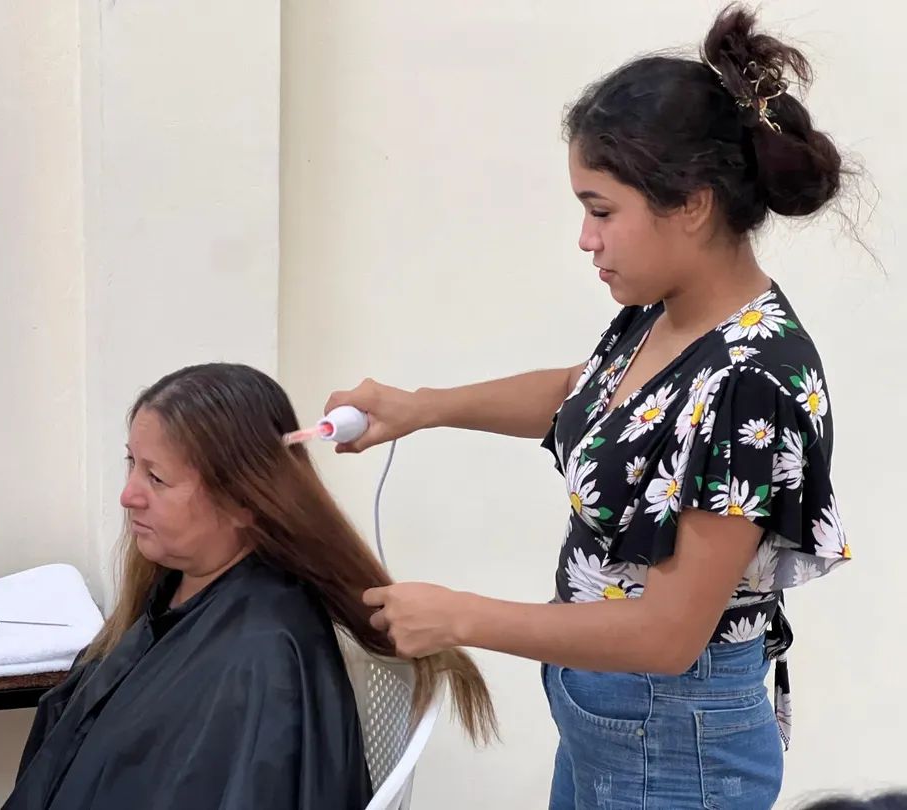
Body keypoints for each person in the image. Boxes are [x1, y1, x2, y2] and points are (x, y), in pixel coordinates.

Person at [325, 5, 852, 808]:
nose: (585, 238)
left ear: (693, 204)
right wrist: (419, 407)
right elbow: (589, 397)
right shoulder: (665, 311)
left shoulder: (753, 382)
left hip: (674, 747)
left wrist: (460, 617)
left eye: (602, 210)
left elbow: (666, 635)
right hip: (609, 722)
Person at [4, 363, 495, 810]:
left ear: (244, 501)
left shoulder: (264, 653)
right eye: (131, 463)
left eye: (156, 478)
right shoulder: (174, 590)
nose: (128, 494)